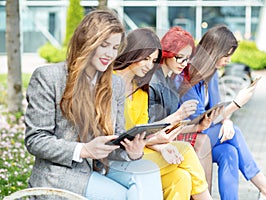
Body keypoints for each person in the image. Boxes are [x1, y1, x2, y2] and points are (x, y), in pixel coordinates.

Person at [24, 10, 163, 200]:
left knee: (149, 173)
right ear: (86, 42)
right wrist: (84, 150)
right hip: (61, 174)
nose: (109, 54)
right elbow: (36, 140)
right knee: (125, 196)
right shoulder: (49, 77)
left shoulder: (115, 84)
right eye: (104, 45)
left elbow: (117, 139)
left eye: (114, 48)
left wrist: (132, 151)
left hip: (102, 168)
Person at [180, 24, 266, 200]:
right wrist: (237, 103)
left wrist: (226, 121)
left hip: (205, 135)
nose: (229, 60)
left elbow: (216, 109)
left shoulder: (211, 73)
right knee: (237, 133)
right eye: (227, 55)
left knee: (230, 152)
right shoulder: (187, 75)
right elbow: (199, 120)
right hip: (187, 136)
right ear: (214, 50)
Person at [113, 27, 212, 200]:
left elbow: (144, 131)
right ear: (131, 53)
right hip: (117, 157)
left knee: (181, 178)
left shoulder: (141, 91)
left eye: (152, 60)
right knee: (187, 150)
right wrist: (161, 141)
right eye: (145, 58)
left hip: (139, 151)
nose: (149, 65)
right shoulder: (110, 83)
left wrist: (161, 145)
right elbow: (118, 136)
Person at [148, 26, 219, 193]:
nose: (184, 64)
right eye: (180, 58)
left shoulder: (170, 80)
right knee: (199, 144)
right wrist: (180, 115)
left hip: (161, 138)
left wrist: (197, 127)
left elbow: (168, 128)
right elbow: (152, 128)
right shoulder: (154, 82)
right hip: (151, 142)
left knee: (202, 140)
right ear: (167, 53)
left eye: (187, 59)